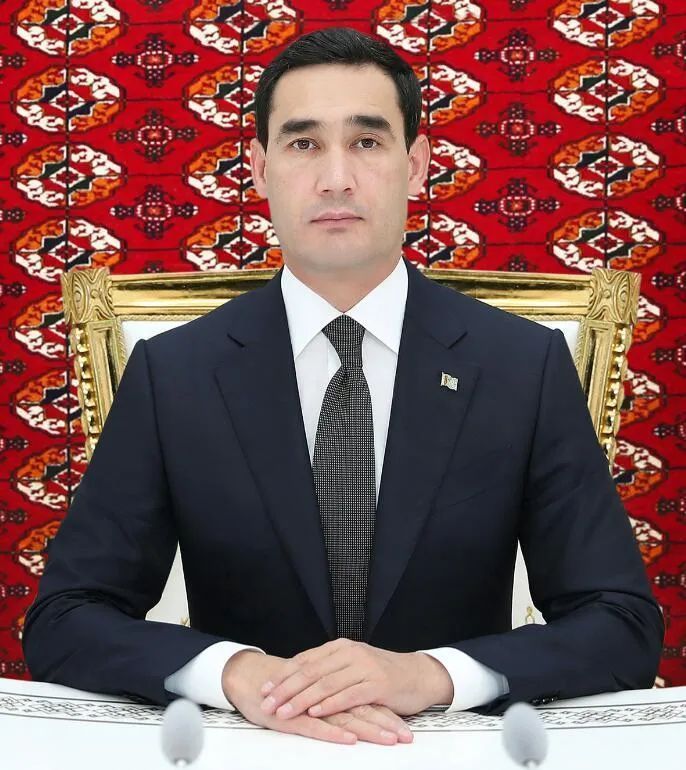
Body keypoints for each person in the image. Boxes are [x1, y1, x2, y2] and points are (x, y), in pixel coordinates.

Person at [23, 27, 663, 747]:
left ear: (415, 166)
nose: (335, 178)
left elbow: (622, 625)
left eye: (366, 142)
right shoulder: (175, 373)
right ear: (260, 169)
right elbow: (65, 618)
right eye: (303, 143)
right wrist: (236, 673)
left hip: (448, 747)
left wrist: (433, 675)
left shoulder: (521, 364)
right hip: (246, 746)